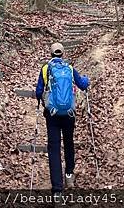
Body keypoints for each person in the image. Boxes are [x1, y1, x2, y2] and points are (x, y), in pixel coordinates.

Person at [35, 42, 90, 194]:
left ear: (51, 54)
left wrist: (43, 99)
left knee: (54, 148)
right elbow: (82, 84)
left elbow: (39, 91)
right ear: (63, 54)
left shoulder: (46, 68)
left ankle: (57, 189)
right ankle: (69, 175)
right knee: (69, 142)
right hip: (68, 114)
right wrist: (87, 80)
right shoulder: (70, 69)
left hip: (52, 114)